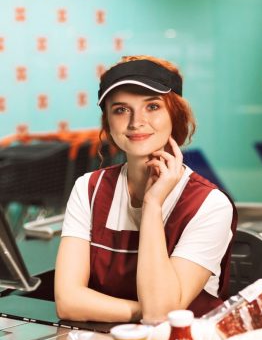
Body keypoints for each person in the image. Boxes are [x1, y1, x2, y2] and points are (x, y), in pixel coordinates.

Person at [54, 55, 237, 324]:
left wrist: (152, 205)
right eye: (120, 109)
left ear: (175, 115)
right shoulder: (88, 189)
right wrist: (147, 309)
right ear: (108, 122)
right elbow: (68, 302)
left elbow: (159, 315)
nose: (136, 122)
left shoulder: (209, 204)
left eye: (152, 107)